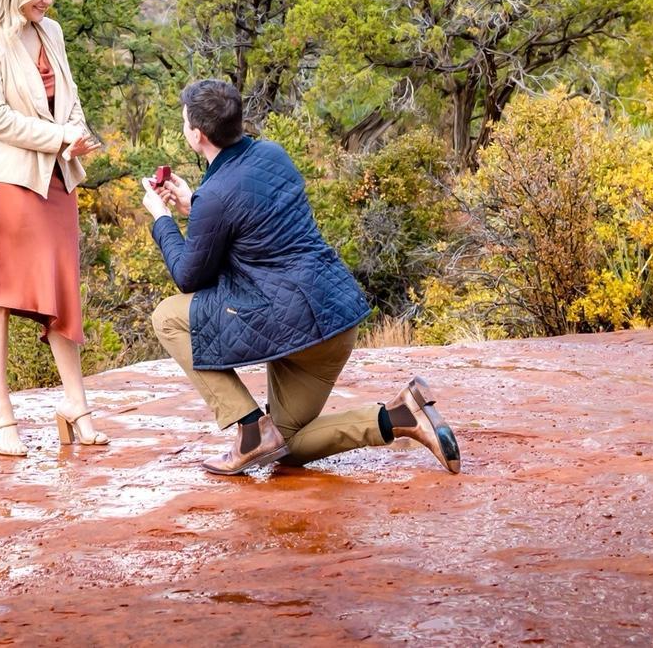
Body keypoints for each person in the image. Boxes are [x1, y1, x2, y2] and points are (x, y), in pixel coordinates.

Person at [141, 79, 461, 476]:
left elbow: (189, 276)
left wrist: (162, 219)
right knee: (285, 447)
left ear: (197, 133)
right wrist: (196, 204)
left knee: (167, 316)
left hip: (288, 326)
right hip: (332, 321)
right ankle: (399, 416)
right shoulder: (273, 155)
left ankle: (248, 429)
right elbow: (252, 221)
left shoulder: (217, 194)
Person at [0, 0, 108, 456]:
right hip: (9, 180)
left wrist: (78, 134)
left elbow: (69, 98)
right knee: (2, 292)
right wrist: (60, 138)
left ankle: (76, 405)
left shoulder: (52, 32)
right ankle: (1, 415)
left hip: (57, 178)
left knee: (63, 289)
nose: (48, 1)